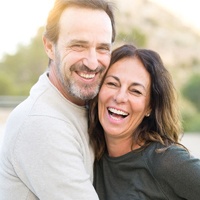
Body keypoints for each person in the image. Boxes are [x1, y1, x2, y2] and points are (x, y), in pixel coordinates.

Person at [0, 0, 116, 199]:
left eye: (103, 48)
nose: (92, 62)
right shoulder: (41, 124)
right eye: (78, 45)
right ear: (49, 46)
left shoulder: (88, 107)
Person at [89, 44, 200, 200]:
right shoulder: (87, 153)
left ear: (150, 107)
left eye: (135, 91)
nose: (120, 97)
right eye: (112, 84)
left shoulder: (165, 161)